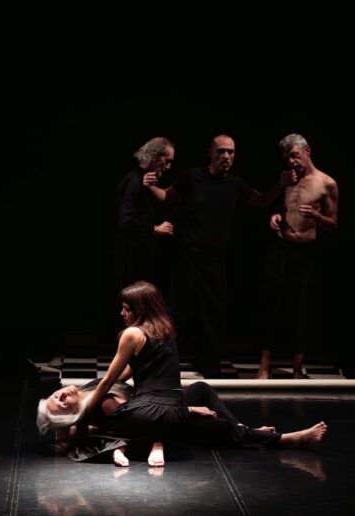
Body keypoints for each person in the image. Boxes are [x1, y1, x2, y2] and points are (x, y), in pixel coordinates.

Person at [143, 134, 296, 377]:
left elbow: (262, 200)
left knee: (213, 317)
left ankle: (209, 369)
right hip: (188, 258)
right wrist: (150, 185)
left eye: (231, 152)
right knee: (175, 314)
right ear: (211, 153)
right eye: (221, 151)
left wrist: (281, 183)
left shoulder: (235, 184)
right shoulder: (192, 177)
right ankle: (161, 365)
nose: (226, 156)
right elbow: (166, 198)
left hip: (214, 262)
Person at [38, 280, 190, 466]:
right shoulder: (165, 329)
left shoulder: (132, 333)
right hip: (179, 411)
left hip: (148, 412)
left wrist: (84, 414)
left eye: (127, 309)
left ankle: (141, 444)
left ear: (141, 310)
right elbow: (134, 369)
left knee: (95, 434)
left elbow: (109, 381)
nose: (122, 313)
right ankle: (156, 442)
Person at [38, 379, 328, 463]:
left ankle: (243, 429)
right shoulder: (105, 404)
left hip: (162, 405)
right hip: (165, 423)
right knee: (219, 427)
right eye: (61, 402)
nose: (61, 394)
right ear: (71, 413)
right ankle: (288, 439)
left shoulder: (90, 390)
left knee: (201, 388)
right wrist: (189, 410)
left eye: (55, 395)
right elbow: (149, 416)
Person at [256, 134, 339, 379]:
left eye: (294, 156)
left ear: (307, 151)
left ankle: (297, 367)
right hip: (281, 247)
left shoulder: (326, 183)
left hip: (307, 251)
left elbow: (333, 224)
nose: (291, 162)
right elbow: (276, 206)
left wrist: (316, 216)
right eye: (287, 158)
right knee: (271, 304)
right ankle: (264, 365)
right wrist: (274, 216)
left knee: (303, 308)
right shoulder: (287, 179)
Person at [114, 137, 175, 294]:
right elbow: (126, 223)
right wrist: (155, 228)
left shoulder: (144, 181)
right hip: (132, 260)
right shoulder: (134, 181)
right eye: (167, 161)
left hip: (142, 257)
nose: (168, 167)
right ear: (154, 156)